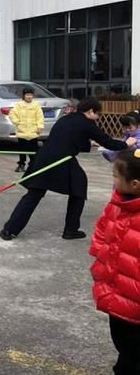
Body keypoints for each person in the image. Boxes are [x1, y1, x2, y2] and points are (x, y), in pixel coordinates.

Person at [0, 98, 136, 241]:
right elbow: (108, 142)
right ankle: (71, 230)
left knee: (34, 194)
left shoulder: (66, 119)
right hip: (61, 160)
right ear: (90, 111)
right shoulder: (87, 123)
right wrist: (126, 144)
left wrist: (90, 144)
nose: (98, 118)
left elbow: (72, 138)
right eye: (98, 114)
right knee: (79, 188)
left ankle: (9, 230)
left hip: (43, 157)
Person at [89, 149, 140, 375]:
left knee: (133, 348)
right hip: (116, 290)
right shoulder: (117, 202)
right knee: (122, 341)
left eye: (115, 176)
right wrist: (101, 255)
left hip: (135, 300)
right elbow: (102, 227)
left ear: (135, 184)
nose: (113, 180)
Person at [8, 87, 44, 173]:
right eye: (27, 95)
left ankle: (33, 165)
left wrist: (40, 127)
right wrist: (17, 123)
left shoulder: (36, 106)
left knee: (33, 151)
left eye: (31, 95)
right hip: (22, 133)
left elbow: (40, 117)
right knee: (22, 150)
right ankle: (21, 165)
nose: (29, 96)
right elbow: (12, 114)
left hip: (33, 133)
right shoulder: (19, 105)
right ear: (24, 96)